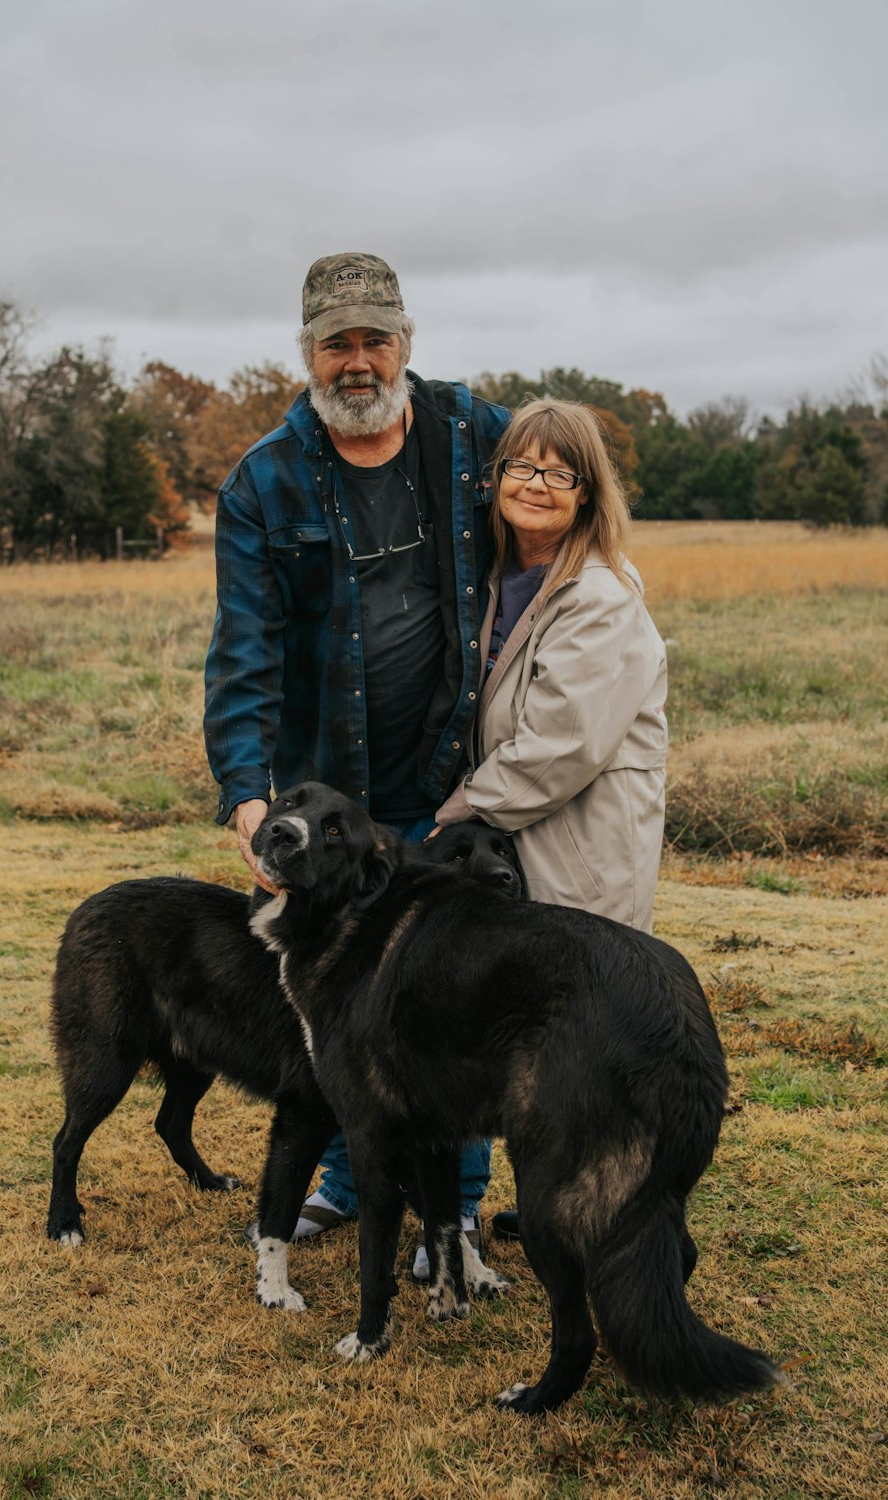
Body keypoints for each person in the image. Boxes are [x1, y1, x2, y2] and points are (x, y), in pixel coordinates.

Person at [203, 253, 510, 1267]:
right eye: (336, 342)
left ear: (407, 344)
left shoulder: (477, 435)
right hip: (330, 800)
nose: (358, 360)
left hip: (450, 778)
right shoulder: (265, 479)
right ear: (307, 354)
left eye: (376, 338)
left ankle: (452, 1211)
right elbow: (243, 650)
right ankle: (347, 1181)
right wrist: (248, 799)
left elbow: (570, 508)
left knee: (445, 996)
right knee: (335, 996)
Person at [433, 398, 668, 1239]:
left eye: (557, 471)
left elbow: (558, 747)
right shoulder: (503, 577)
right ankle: (557, 1204)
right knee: (540, 1036)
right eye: (520, 467)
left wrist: (452, 814)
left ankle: (612, 1221)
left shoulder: (598, 594)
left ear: (586, 491)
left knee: (583, 1038)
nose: (535, 484)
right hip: (531, 837)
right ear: (495, 480)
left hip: (580, 840)